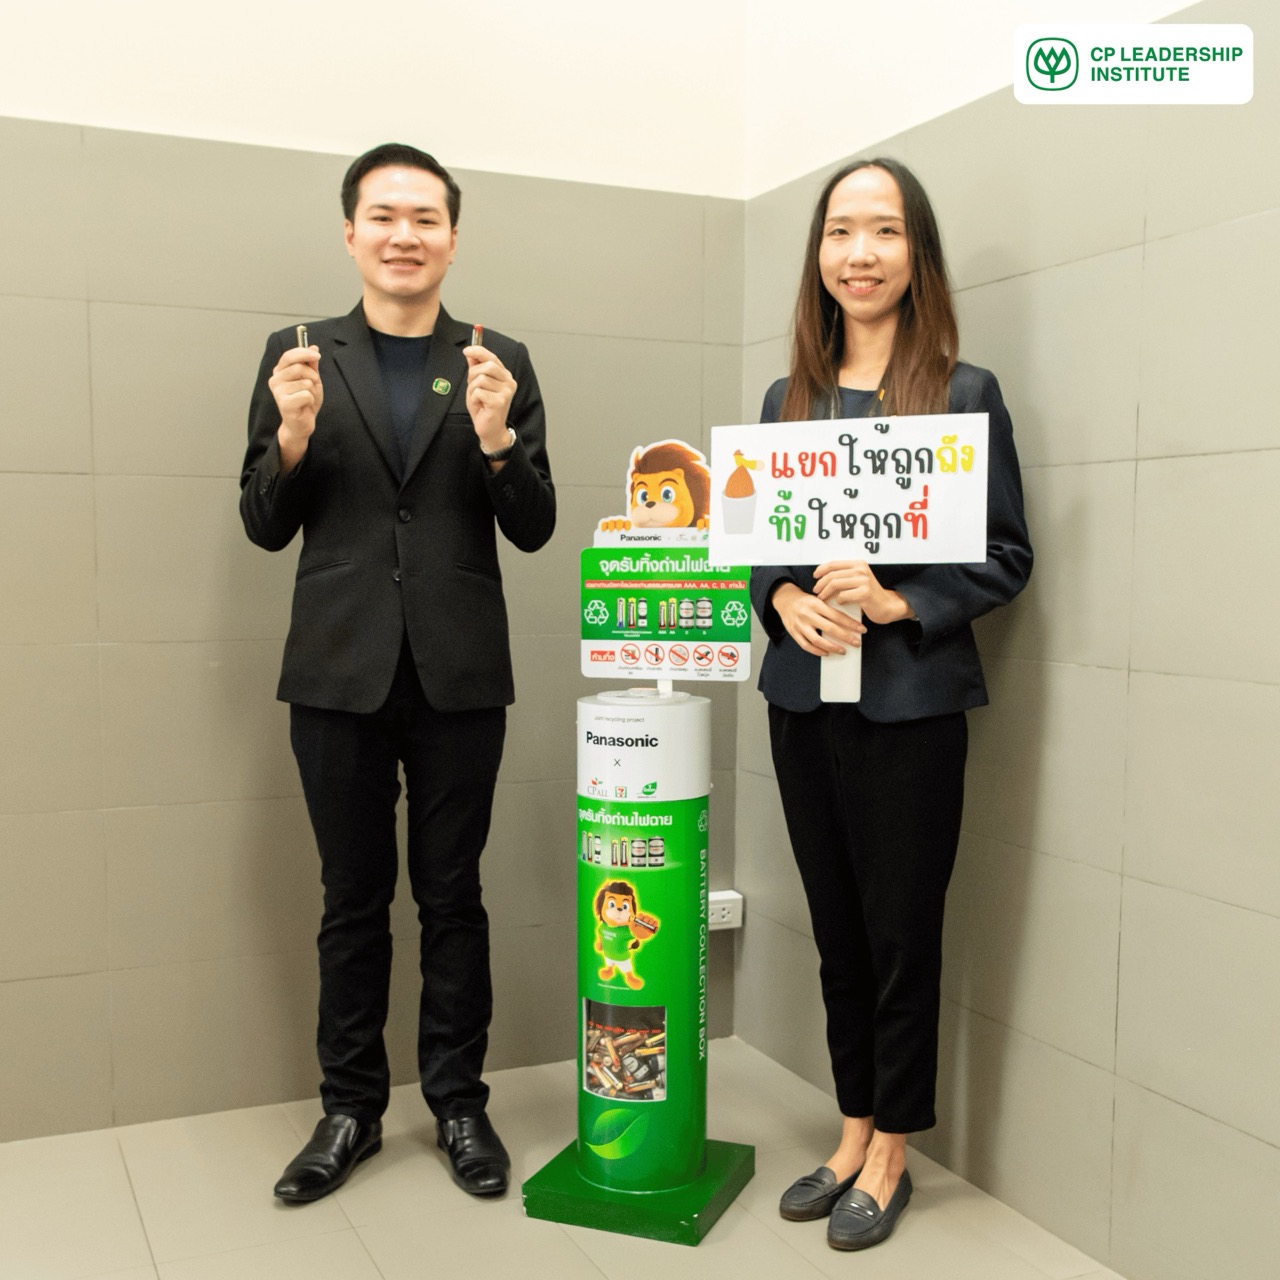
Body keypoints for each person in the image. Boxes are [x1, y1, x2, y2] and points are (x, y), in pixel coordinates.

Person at [239, 142, 555, 1203]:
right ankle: (350, 1109)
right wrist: (290, 437)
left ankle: (460, 1103)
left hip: (460, 671)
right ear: (350, 233)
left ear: (453, 238)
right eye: (383, 216)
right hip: (337, 669)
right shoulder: (296, 355)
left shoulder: (497, 358)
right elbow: (261, 522)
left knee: (454, 896)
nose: (404, 235)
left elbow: (535, 524)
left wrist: (498, 438)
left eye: (425, 218)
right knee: (351, 898)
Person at [750, 158, 1032, 1251]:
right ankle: (851, 1126)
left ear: (917, 254)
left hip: (909, 708)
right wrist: (780, 598)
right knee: (836, 932)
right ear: (817, 255)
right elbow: (757, 555)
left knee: (901, 934)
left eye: (882, 231)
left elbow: (1005, 555)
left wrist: (897, 599)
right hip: (800, 704)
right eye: (838, 232)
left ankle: (894, 1149)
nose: (857, 253)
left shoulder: (964, 393)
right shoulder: (787, 400)